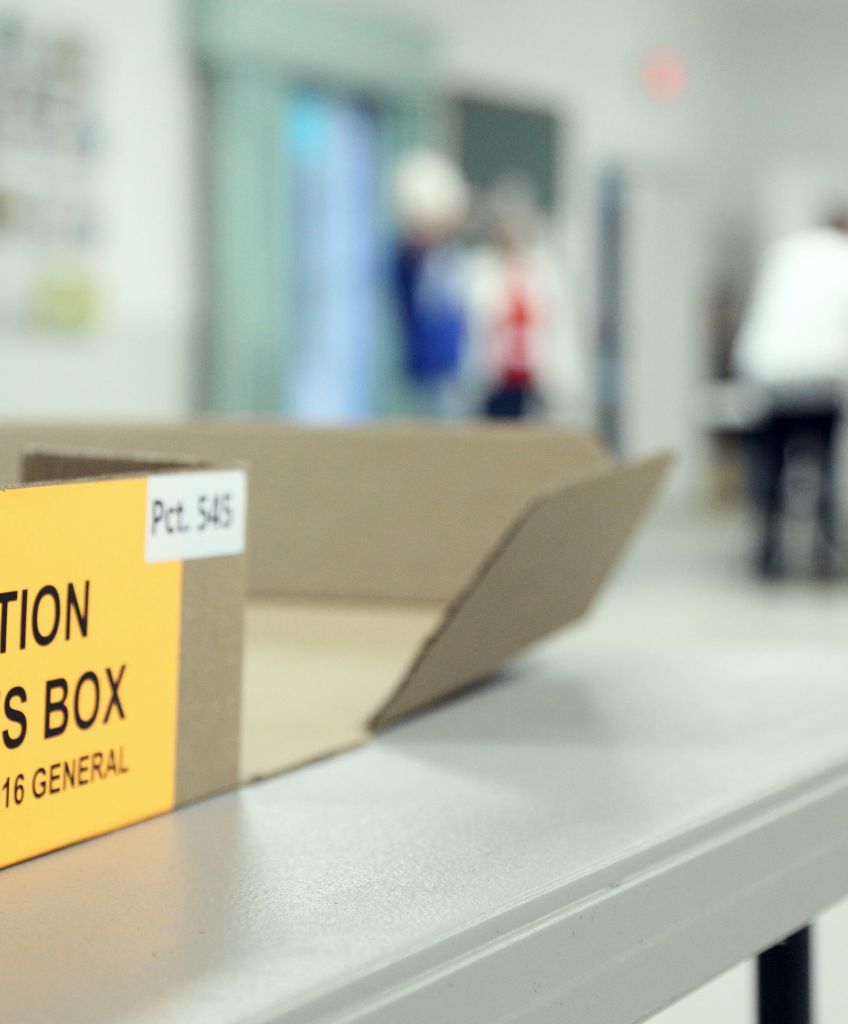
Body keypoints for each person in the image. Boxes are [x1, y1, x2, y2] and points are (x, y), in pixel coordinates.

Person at [734, 210, 848, 577]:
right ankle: (821, 553)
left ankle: (767, 552)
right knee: (822, 468)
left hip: (767, 373)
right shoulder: (842, 258)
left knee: (768, 466)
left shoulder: (784, 253)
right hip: (818, 378)